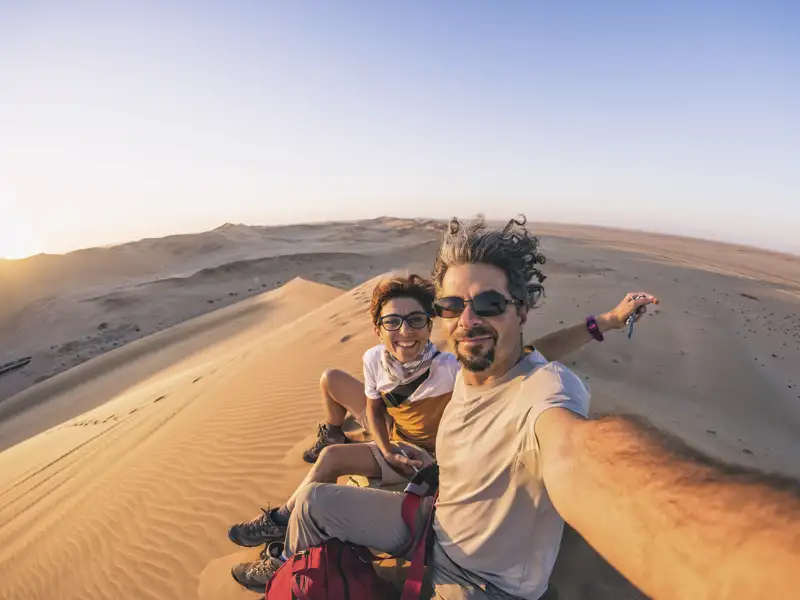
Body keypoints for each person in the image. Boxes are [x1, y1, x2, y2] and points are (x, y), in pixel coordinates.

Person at [228, 218, 662, 596]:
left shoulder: (538, 388)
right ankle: (284, 568)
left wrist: (603, 321)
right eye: (452, 306)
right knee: (314, 502)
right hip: (432, 517)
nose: (468, 319)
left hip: (480, 582)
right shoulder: (466, 375)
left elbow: (577, 443)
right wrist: (426, 463)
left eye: (490, 305)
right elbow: (378, 406)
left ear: (521, 310)